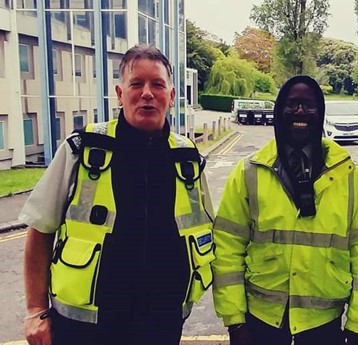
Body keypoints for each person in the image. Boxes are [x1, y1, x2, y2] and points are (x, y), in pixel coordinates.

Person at [21, 44, 215, 345]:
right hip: (83, 329)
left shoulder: (188, 160)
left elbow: (206, 235)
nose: (147, 93)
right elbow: (40, 229)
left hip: (160, 326)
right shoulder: (81, 150)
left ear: (172, 96)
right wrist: (35, 310)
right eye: (136, 83)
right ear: (120, 93)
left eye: (158, 84)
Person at [212, 75, 358, 345]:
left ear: (320, 112)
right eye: (292, 104)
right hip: (261, 320)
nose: (300, 111)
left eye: (309, 105)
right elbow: (228, 248)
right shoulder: (249, 172)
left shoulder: (346, 174)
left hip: (323, 322)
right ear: (279, 110)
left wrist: (357, 324)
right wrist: (235, 322)